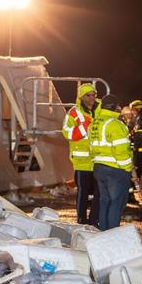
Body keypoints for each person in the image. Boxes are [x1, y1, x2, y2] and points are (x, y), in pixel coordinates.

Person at [90, 94, 133, 230]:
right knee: (116, 203)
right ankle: (113, 234)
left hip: (99, 167)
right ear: (115, 107)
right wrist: (128, 168)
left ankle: (104, 233)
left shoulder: (95, 123)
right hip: (115, 169)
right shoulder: (115, 124)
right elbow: (121, 150)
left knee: (104, 202)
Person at [62, 83, 101, 226]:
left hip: (99, 159)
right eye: (88, 95)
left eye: (93, 95)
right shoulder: (73, 113)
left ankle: (94, 220)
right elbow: (67, 133)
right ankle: (81, 220)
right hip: (82, 161)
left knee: (99, 192)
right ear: (81, 97)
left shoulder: (101, 110)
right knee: (83, 192)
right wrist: (85, 127)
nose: (92, 98)